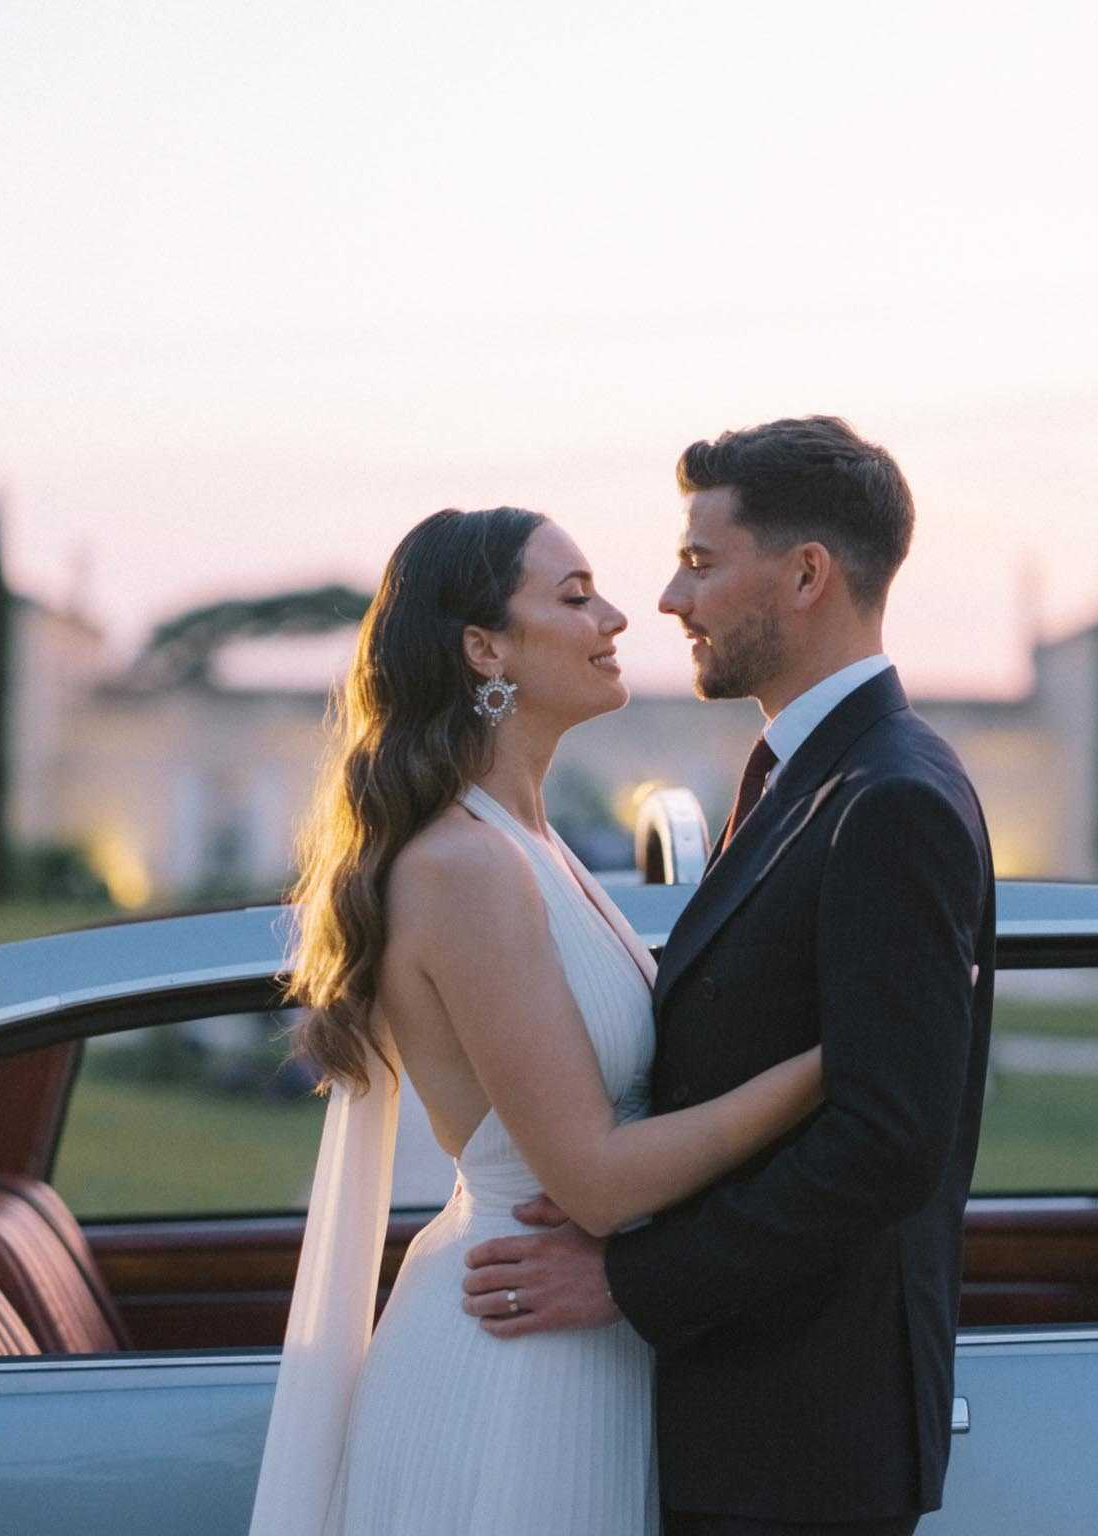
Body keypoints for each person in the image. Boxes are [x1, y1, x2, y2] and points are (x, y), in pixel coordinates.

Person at [462, 417, 996, 1536]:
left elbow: (884, 1140)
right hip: (740, 1411)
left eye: (700, 563)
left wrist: (629, 1283)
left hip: (802, 1438)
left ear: (805, 576)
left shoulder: (889, 798)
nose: (665, 598)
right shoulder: (804, 779)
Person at [248, 505, 825, 1536]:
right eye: (573, 597)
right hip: (515, 1351)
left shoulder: (533, 846)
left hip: (571, 1328)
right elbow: (595, 1180)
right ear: (483, 649)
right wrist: (831, 1067)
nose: (615, 616)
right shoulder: (465, 866)